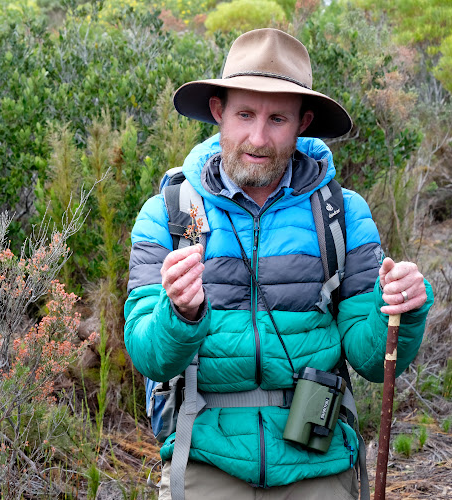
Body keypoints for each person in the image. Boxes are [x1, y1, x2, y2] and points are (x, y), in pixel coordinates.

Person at [124, 28, 434, 499]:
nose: (258, 137)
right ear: (218, 112)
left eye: (278, 119)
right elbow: (148, 353)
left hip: (319, 451)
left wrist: (402, 310)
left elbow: (373, 360)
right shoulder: (170, 213)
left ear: (303, 122)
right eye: (244, 114)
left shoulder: (341, 214)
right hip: (206, 449)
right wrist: (179, 314)